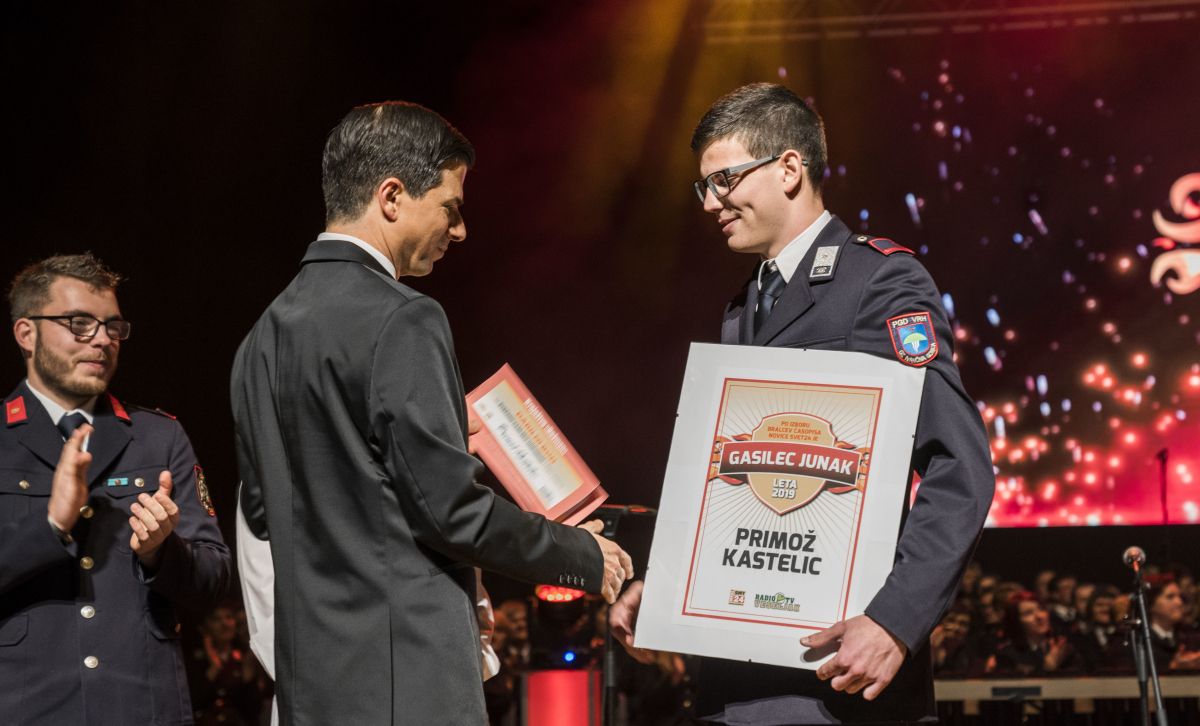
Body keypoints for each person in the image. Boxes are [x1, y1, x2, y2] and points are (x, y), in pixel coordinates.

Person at [230, 101, 632, 726]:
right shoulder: (404, 317)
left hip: (312, 688)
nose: (460, 230)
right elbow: (451, 513)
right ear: (392, 196)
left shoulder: (259, 339)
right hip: (407, 683)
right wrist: (580, 554)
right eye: (451, 206)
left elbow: (264, 515)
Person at [610, 83, 994, 724]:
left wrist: (894, 623)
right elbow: (737, 484)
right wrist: (672, 590)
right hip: (733, 683)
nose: (709, 203)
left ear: (789, 168)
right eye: (702, 187)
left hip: (839, 680)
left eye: (723, 180)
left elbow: (961, 468)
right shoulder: (744, 305)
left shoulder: (879, 281)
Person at [0, 253, 231, 724]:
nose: (103, 339)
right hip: (29, 709)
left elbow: (215, 580)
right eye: (79, 323)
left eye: (112, 326)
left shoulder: (160, 437)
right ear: (26, 333)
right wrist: (51, 525)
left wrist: (161, 552)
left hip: (142, 708)